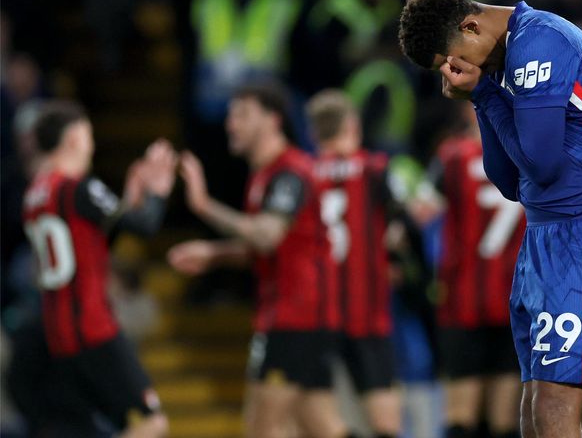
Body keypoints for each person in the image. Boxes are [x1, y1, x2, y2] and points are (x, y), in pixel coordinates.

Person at [398, 0, 582, 438]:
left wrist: (487, 95)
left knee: (554, 406)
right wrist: (481, 94)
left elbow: (543, 166)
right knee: (532, 412)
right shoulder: (508, 58)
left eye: (456, 60)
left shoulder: (540, 42)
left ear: (471, 26)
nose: (459, 72)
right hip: (545, 236)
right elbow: (510, 181)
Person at [166, 84, 348, 438]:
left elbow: (267, 235)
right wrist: (214, 254)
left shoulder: (289, 173)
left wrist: (203, 205)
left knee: (263, 428)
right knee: (321, 426)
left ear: (272, 120)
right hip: (303, 315)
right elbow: (270, 248)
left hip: (296, 317)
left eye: (242, 114)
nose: (231, 124)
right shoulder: (265, 175)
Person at [21, 101, 175, 437]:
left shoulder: (34, 194)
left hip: (58, 336)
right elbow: (145, 227)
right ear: (74, 138)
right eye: (88, 134)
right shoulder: (78, 186)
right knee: (152, 422)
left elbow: (89, 243)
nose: (92, 143)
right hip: (94, 328)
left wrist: (127, 203)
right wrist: (158, 193)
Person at [306, 89, 402, 438]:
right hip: (368, 311)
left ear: (315, 132)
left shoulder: (304, 174)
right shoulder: (375, 169)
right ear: (351, 124)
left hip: (317, 313)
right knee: (385, 421)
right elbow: (402, 226)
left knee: (313, 415)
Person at [429, 101, 524, 438]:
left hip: (462, 300)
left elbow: (423, 212)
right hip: (517, 300)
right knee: (504, 419)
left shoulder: (451, 157)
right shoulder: (530, 152)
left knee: (460, 416)